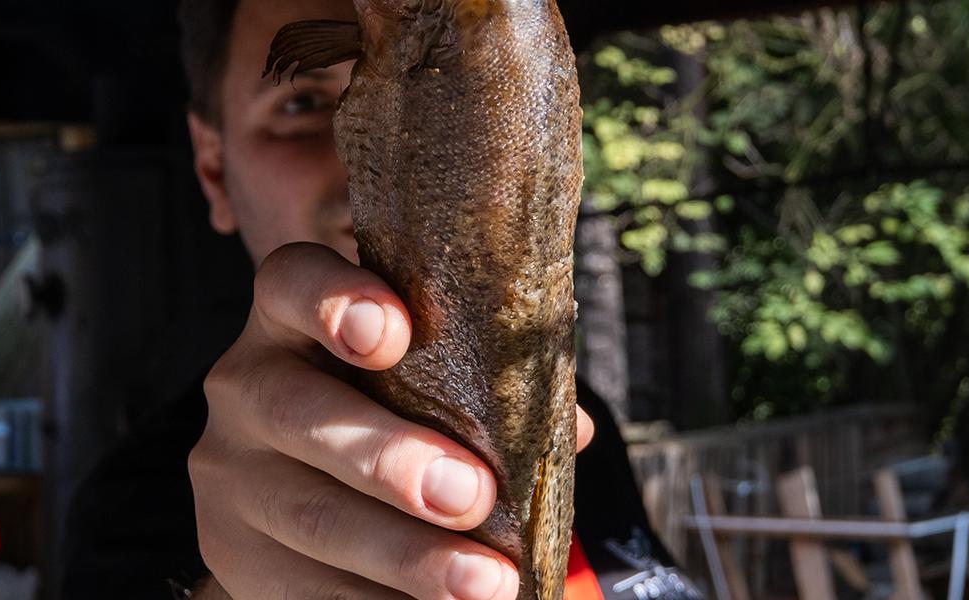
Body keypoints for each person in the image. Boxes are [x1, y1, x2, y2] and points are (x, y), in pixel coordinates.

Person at [56, 1, 702, 598]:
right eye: (302, 99)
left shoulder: (589, 424)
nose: (363, 141)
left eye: (437, 79)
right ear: (214, 169)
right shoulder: (128, 501)